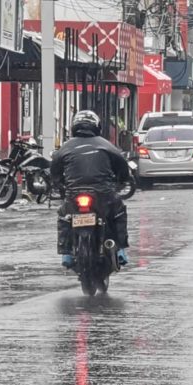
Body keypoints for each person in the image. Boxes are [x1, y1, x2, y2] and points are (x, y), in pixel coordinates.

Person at [51, 110, 131, 268]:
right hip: (103, 193)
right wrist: (120, 182)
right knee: (118, 213)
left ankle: (66, 252)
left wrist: (61, 187)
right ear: (97, 126)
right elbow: (122, 167)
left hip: (74, 193)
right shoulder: (106, 145)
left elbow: (54, 172)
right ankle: (121, 249)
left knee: (64, 216)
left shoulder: (65, 147)